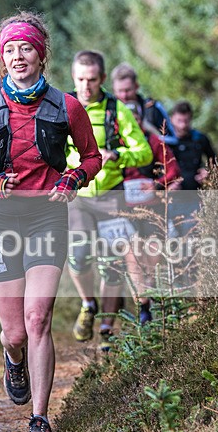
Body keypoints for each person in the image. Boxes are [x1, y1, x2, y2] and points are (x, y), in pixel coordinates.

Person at [0, 12, 102, 432]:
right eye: (10, 50)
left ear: (41, 54)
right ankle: (12, 360)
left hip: (46, 218)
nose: (18, 56)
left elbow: (92, 158)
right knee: (15, 333)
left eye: (26, 48)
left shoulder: (66, 106)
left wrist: (74, 179)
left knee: (38, 319)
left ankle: (40, 419)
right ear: (2, 58)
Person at [65, 50, 153, 351]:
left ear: (102, 79)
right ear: (73, 77)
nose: (85, 86)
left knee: (113, 262)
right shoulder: (62, 107)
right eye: (80, 79)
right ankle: (88, 304)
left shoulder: (117, 110)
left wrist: (116, 154)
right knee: (78, 256)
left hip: (112, 196)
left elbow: (145, 152)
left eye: (91, 80)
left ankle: (106, 326)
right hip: (77, 195)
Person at [112, 63, 182, 323]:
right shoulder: (114, 140)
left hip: (151, 204)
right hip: (121, 205)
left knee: (151, 256)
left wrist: (157, 184)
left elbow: (173, 166)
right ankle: (139, 309)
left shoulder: (153, 133)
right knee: (130, 256)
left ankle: (150, 306)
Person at [168, 101, 218, 240]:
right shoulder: (164, 140)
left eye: (186, 121)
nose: (183, 125)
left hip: (195, 195)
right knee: (172, 237)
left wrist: (208, 172)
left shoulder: (199, 139)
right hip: (171, 197)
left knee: (192, 234)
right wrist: (166, 184)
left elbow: (214, 161)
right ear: (172, 119)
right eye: (179, 121)